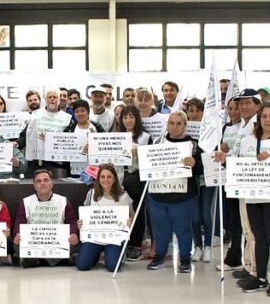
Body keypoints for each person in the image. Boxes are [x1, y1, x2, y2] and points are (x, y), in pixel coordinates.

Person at [217, 103, 270, 297]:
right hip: (253, 198)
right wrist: (224, 160)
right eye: (264, 117)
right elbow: (239, 167)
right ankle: (260, 277)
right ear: (259, 120)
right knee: (259, 238)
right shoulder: (248, 141)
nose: (268, 120)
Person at [147, 111, 201, 273]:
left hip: (182, 196)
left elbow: (202, 168)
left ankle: (185, 259)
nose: (175, 126)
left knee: (183, 229)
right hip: (158, 195)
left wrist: (195, 163)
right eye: (172, 123)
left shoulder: (193, 145)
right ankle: (159, 256)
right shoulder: (158, 142)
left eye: (179, 123)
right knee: (161, 228)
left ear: (185, 125)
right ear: (167, 124)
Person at [218, 90, 261, 275]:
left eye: (247, 103)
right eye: (240, 104)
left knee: (253, 230)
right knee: (246, 229)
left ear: (257, 105)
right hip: (238, 182)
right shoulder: (243, 126)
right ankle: (249, 264)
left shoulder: (258, 125)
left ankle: (256, 269)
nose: (243, 107)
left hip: (253, 183)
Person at [12, 170, 79, 268]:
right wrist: (18, 236)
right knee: (17, 245)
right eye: (38, 181)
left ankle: (37, 259)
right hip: (35, 241)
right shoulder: (26, 202)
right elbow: (19, 223)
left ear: (51, 184)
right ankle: (57, 259)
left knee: (75, 243)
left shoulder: (63, 200)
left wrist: (73, 234)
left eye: (45, 180)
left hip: (56, 241)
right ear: (34, 186)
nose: (42, 183)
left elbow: (72, 221)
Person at [76, 164, 133, 272]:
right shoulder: (91, 193)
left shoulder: (123, 196)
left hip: (114, 238)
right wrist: (81, 223)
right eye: (102, 177)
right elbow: (85, 214)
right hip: (94, 237)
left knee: (113, 266)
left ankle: (119, 254)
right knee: (82, 265)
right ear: (98, 178)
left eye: (109, 177)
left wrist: (130, 222)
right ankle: (95, 254)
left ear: (114, 179)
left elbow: (132, 214)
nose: (105, 180)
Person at [115, 104, 151, 262]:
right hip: (119, 177)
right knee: (121, 210)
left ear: (137, 119)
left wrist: (141, 154)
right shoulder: (116, 136)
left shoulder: (145, 137)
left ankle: (136, 245)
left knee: (137, 211)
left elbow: (151, 161)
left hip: (137, 179)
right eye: (125, 117)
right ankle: (123, 242)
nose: (128, 120)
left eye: (131, 117)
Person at [183, 97, 214, 263]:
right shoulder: (185, 131)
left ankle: (208, 246)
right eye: (191, 111)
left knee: (205, 213)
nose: (194, 114)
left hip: (207, 177)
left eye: (197, 110)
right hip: (192, 179)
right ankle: (198, 247)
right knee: (194, 215)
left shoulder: (210, 131)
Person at [23, 88, 73, 174]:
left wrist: (51, 141)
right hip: (38, 161)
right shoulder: (36, 115)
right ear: (46, 100)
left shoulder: (67, 118)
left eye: (55, 97)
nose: (52, 99)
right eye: (50, 97)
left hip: (57, 163)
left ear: (59, 100)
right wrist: (17, 143)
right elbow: (26, 134)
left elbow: (71, 139)